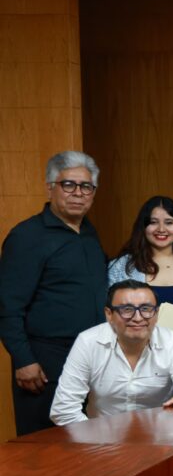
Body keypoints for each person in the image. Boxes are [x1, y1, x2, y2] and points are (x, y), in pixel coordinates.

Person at [0, 151, 107, 435]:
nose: (78, 193)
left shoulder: (89, 233)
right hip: (45, 363)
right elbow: (8, 306)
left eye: (86, 186)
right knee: (44, 447)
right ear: (50, 187)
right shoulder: (27, 236)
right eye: (68, 184)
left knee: (88, 443)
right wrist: (24, 360)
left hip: (91, 357)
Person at [50, 281, 173, 425]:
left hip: (160, 437)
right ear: (109, 314)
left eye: (146, 309)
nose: (137, 318)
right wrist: (99, 441)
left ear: (156, 313)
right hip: (101, 438)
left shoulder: (172, 341)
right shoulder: (88, 342)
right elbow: (64, 410)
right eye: (127, 309)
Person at [107, 196, 173, 341]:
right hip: (134, 350)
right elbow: (109, 319)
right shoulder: (121, 266)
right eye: (153, 222)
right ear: (144, 227)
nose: (161, 229)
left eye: (169, 222)